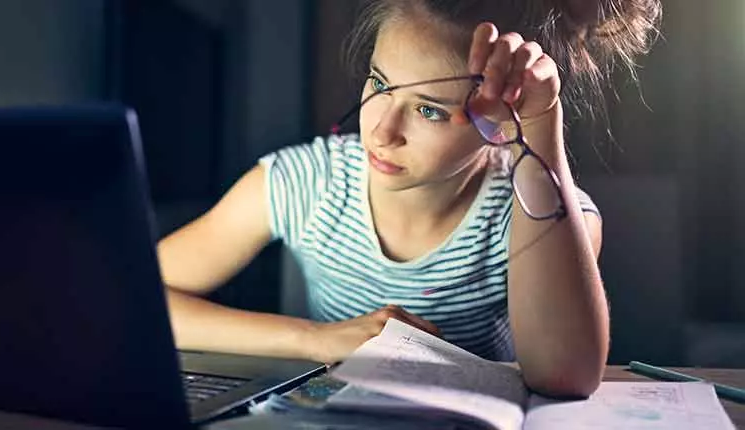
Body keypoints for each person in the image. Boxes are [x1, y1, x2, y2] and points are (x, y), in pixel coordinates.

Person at [157, 0, 661, 397]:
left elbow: (564, 375)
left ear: (501, 120)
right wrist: (312, 338)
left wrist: (540, 125)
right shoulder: (304, 182)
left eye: (430, 111)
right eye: (380, 84)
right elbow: (143, 294)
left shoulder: (538, 210)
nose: (382, 130)